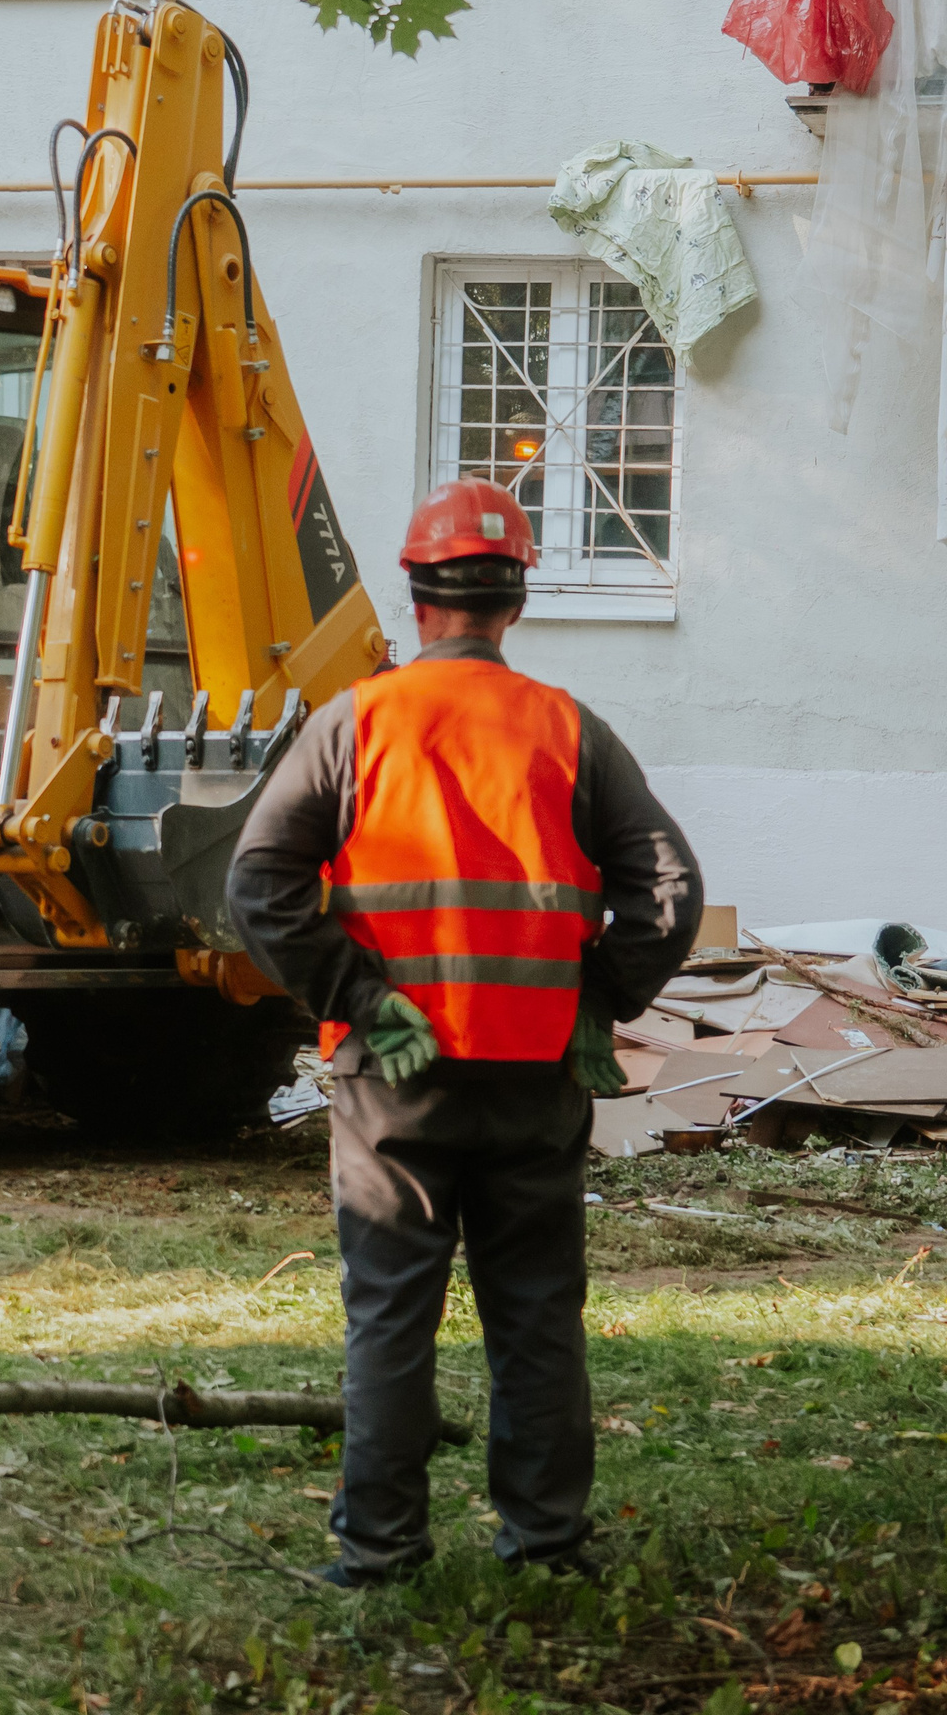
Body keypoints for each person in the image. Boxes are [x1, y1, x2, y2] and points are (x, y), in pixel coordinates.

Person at [226, 477, 702, 1588]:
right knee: (536, 1316)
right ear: (514, 600)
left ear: (414, 593)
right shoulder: (567, 728)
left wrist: (357, 991)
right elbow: (669, 887)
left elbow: (260, 882)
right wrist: (597, 1001)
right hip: (535, 1079)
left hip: (396, 1084)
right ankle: (546, 1547)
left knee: (390, 1317)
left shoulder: (353, 723)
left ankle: (381, 1555)